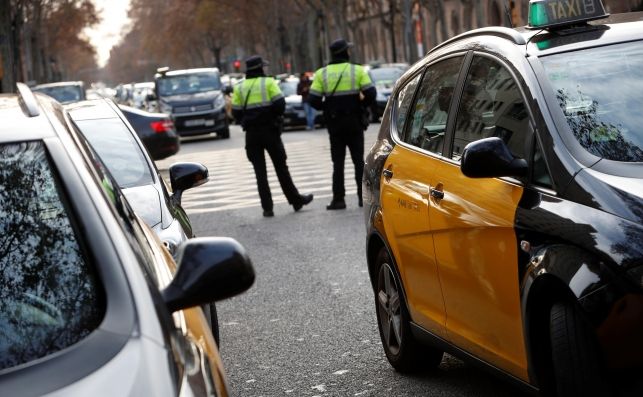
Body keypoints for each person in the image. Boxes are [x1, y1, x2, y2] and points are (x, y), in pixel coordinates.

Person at [231, 55, 313, 217]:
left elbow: (235, 112)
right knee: (281, 168)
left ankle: (267, 208)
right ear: (260, 69)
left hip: (252, 134)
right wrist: (269, 115)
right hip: (270, 131)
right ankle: (295, 200)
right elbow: (280, 105)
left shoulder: (240, 87)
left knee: (260, 172)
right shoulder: (268, 83)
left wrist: (250, 118)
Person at [308, 38, 376, 210]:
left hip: (334, 123)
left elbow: (313, 99)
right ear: (346, 52)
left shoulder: (321, 73)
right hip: (354, 121)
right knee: (358, 161)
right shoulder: (357, 70)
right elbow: (371, 93)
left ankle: (339, 199)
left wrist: (328, 107)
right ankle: (363, 197)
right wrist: (360, 105)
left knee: (337, 163)